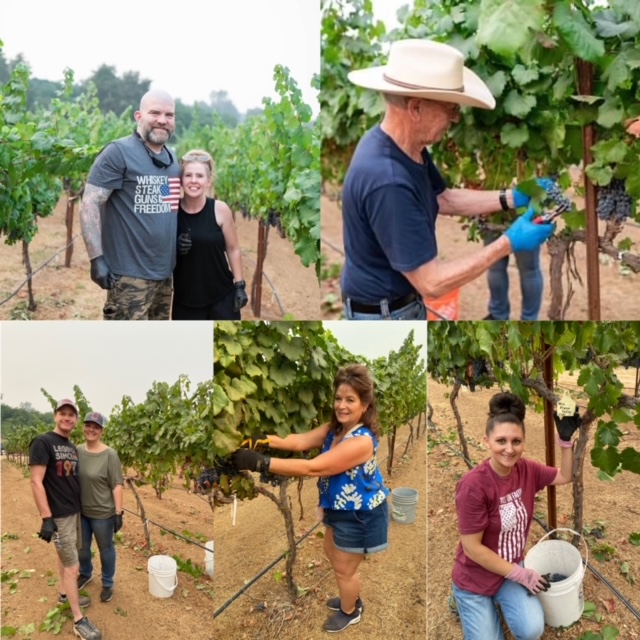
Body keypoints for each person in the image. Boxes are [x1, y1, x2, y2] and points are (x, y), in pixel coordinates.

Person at [341, 38, 557, 320]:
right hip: (384, 316)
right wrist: (509, 241)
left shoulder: (404, 146)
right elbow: (431, 283)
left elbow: (443, 198)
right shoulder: (388, 180)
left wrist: (511, 197)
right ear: (416, 108)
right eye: (450, 108)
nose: (455, 118)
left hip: (394, 306)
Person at [231, 364, 390, 633]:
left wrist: (262, 463)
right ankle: (350, 596)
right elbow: (299, 441)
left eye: (350, 400)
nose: (342, 405)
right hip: (338, 509)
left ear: (365, 404)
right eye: (338, 398)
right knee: (332, 552)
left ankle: (351, 610)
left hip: (360, 515)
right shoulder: (335, 428)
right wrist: (263, 441)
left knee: (345, 569)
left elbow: (312, 467)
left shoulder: (361, 441)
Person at [451, 392, 581, 640]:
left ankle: (495, 604)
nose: (509, 449)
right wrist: (521, 574)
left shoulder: (528, 470)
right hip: (475, 579)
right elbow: (472, 549)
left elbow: (565, 476)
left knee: (532, 629)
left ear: (523, 442)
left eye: (516, 441)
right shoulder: (473, 486)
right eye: (501, 441)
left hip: (508, 571)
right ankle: (461, 599)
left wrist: (565, 441)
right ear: (486, 441)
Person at [80, 89, 180, 320]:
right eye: (154, 113)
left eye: (169, 115)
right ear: (138, 116)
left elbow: (164, 203)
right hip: (128, 275)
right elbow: (90, 203)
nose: (162, 120)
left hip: (164, 274)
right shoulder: (118, 152)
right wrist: (96, 258)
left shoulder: (172, 159)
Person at [29, 399, 102, 640]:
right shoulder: (43, 442)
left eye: (71, 415)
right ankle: (79, 620)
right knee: (73, 567)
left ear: (76, 420)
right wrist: (46, 517)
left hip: (74, 512)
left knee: (65, 558)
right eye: (63, 413)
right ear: (55, 416)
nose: (67, 418)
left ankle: (64, 593)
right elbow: (36, 481)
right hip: (58, 516)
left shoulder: (70, 445)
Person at [171, 149, 248, 319]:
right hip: (186, 301)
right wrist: (173, 248)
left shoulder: (220, 210)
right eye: (188, 175)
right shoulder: (171, 211)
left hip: (221, 298)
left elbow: (233, 249)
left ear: (209, 181)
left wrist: (240, 286)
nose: (193, 181)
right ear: (181, 180)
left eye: (199, 176)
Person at [76, 412, 124, 604]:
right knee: (82, 549)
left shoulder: (110, 454)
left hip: (102, 514)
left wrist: (118, 513)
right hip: (81, 512)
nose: (91, 430)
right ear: (83, 428)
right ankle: (86, 573)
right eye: (88, 425)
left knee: (106, 549)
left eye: (96, 427)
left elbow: (117, 484)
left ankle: (107, 583)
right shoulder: (77, 450)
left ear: (102, 431)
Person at [482, 231, 543, 320]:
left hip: (492, 222)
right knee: (529, 272)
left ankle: (497, 316)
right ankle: (529, 322)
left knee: (495, 267)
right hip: (524, 222)